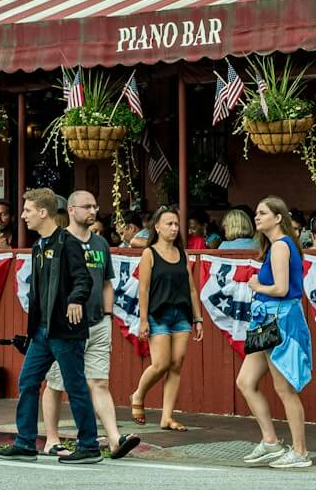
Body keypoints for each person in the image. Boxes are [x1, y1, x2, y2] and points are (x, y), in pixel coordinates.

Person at [0, 190, 101, 464]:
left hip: (65, 330)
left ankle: (89, 446)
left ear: (43, 213)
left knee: (75, 386)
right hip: (42, 332)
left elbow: (84, 279)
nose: (23, 215)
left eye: (28, 210)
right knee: (28, 381)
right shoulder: (39, 246)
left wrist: (75, 299)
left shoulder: (69, 243)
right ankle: (25, 443)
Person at [40, 190, 141, 459]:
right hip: (66, 327)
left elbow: (107, 282)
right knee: (56, 382)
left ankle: (115, 439)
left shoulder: (100, 244)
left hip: (97, 322)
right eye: (87, 206)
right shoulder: (58, 242)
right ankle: (51, 439)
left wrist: (108, 316)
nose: (93, 211)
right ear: (71, 210)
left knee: (99, 381)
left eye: (95, 206)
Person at [236, 196, 313, 469]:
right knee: (246, 381)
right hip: (267, 320)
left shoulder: (280, 246)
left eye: (263, 213)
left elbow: (281, 289)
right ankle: (270, 441)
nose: (257, 217)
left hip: (279, 320)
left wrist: (257, 285)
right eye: (257, 213)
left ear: (278, 218)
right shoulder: (277, 246)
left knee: (284, 388)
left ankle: (301, 451)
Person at [129, 205, 202, 431]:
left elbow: (191, 289)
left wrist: (198, 318)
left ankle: (167, 417)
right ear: (158, 227)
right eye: (169, 223)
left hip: (181, 314)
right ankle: (138, 394)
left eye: (176, 224)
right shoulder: (149, 253)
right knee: (160, 364)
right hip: (158, 313)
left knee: (176, 364)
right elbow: (143, 289)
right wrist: (143, 320)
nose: (174, 228)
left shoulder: (182, 253)